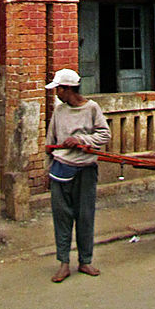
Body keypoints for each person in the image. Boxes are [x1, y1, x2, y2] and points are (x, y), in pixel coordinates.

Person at [45, 68, 111, 283]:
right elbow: (50, 140)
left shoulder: (92, 109)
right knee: (62, 216)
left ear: (67, 89)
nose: (56, 94)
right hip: (61, 168)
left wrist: (81, 140)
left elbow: (104, 134)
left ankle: (85, 260)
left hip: (86, 169)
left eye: (58, 89)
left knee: (85, 215)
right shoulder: (59, 111)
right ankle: (63, 262)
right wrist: (49, 163)